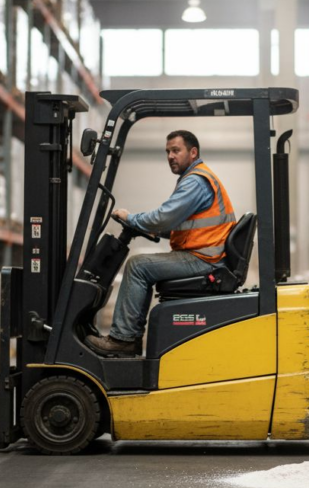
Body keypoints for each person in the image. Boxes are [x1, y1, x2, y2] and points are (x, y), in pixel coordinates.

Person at [84, 130, 236, 356]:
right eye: (167, 152)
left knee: (138, 266)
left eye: (176, 150)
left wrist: (131, 218)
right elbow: (178, 225)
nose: (170, 156)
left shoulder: (196, 181)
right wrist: (145, 227)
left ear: (193, 152)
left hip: (204, 260)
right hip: (203, 256)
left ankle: (123, 339)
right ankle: (129, 337)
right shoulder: (195, 178)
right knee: (142, 266)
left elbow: (164, 217)